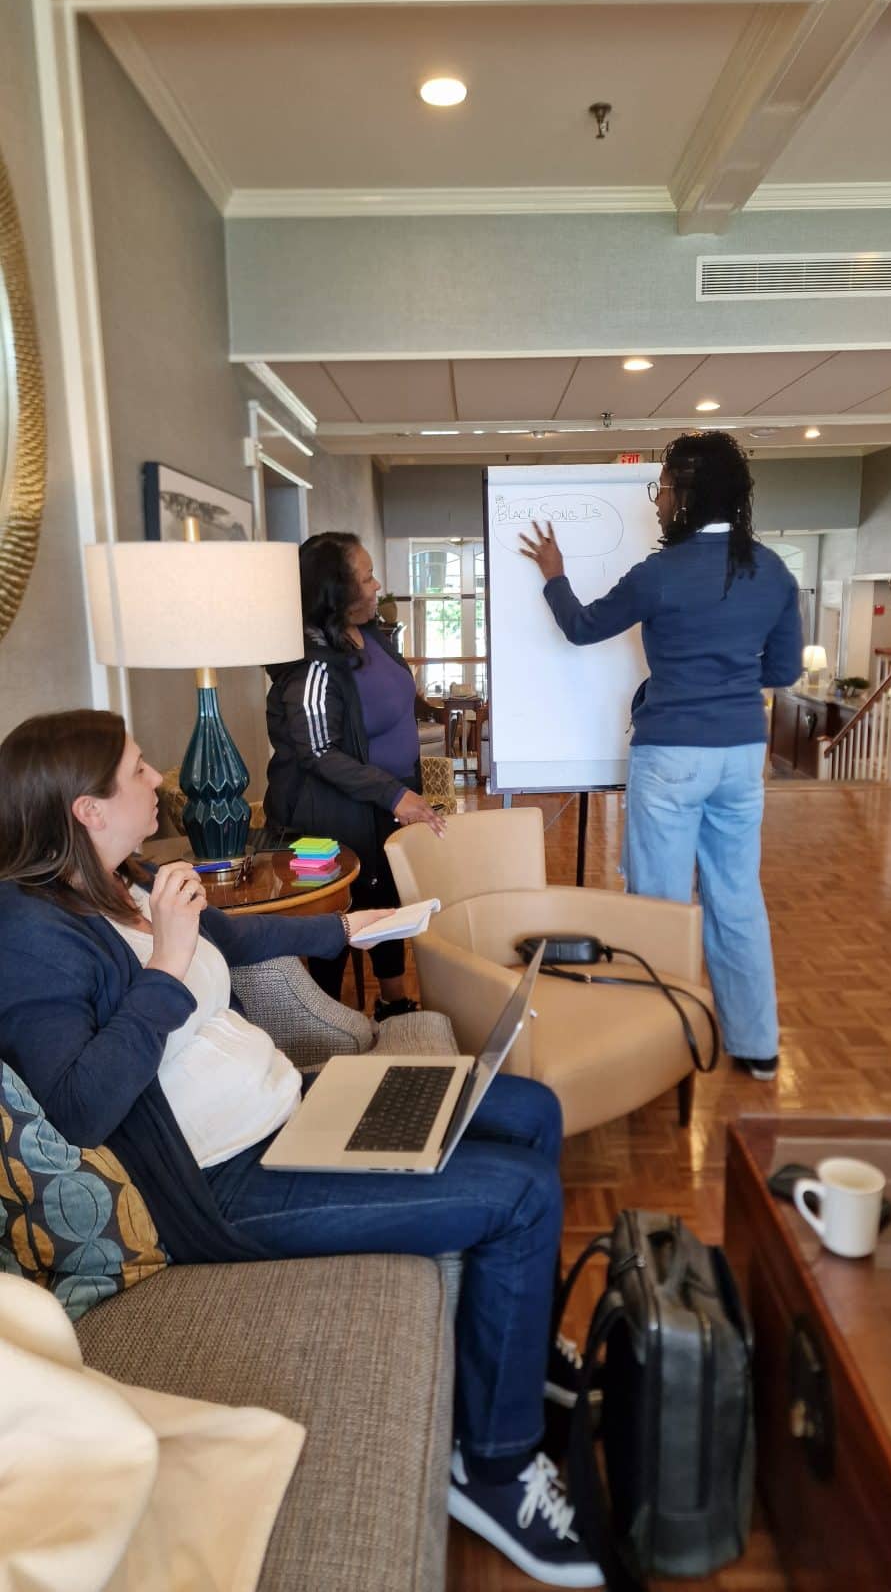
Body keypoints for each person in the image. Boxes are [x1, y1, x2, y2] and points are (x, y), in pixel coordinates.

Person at [0, 709, 604, 1589]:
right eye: (135, 768)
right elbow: (85, 1104)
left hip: (296, 1107)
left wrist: (355, 928)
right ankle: (497, 1468)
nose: (156, 774)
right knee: (520, 1193)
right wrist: (164, 969)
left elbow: (229, 938)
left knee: (533, 1110)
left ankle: (520, 1350)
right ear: (86, 807)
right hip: (223, 1187)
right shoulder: (28, 937)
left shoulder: (121, 877)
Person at [520, 431, 802, 1081]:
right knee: (737, 897)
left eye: (663, 488)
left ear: (685, 495)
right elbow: (782, 668)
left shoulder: (660, 572)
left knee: (658, 903)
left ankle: (661, 1049)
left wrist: (554, 575)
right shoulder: (774, 570)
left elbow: (583, 626)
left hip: (671, 752)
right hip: (740, 756)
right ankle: (756, 1046)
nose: (657, 501)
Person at [265, 532, 445, 1020]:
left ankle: (394, 1004)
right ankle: (328, 1025)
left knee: (387, 903)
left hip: (383, 805)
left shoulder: (373, 636)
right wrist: (394, 795)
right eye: (366, 577)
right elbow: (318, 752)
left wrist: (402, 793)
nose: (376, 585)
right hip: (335, 815)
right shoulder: (311, 666)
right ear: (335, 592)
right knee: (339, 920)